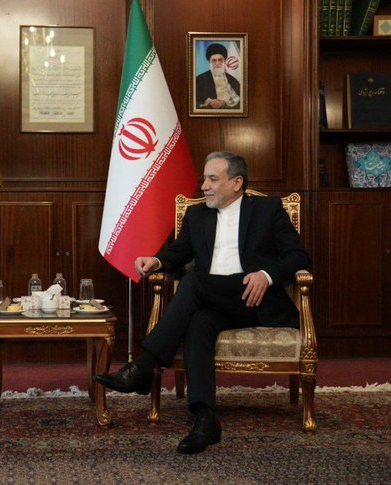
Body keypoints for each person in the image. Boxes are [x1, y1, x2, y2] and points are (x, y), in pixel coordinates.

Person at [94, 152, 309, 454]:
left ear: (237, 183)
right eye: (204, 179)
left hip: (254, 300)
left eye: (212, 179)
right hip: (215, 302)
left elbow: (298, 256)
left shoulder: (267, 209)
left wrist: (266, 275)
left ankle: (144, 366)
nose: (204, 186)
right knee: (198, 322)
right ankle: (206, 419)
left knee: (194, 281)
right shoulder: (197, 215)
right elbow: (179, 252)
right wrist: (156, 261)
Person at [195, 43, 240, 109]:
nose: (217, 63)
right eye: (214, 60)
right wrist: (209, 102)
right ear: (209, 61)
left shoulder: (233, 80)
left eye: (220, 60)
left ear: (224, 61)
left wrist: (225, 103)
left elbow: (239, 99)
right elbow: (195, 100)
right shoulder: (199, 79)